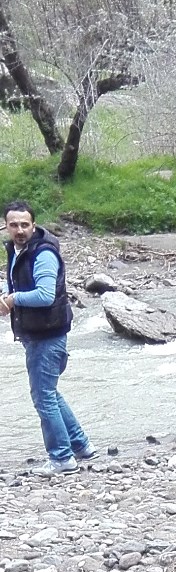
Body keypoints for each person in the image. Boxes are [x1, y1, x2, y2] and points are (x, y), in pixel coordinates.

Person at [2, 201, 92, 475]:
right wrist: (7, 295)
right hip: (37, 333)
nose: (19, 230)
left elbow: (45, 295)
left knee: (43, 397)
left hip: (48, 335)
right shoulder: (18, 249)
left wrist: (12, 300)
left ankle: (62, 458)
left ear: (34, 225)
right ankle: (80, 445)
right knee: (48, 392)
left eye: (24, 224)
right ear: (6, 226)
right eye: (14, 225)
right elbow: (17, 281)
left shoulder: (43, 253)